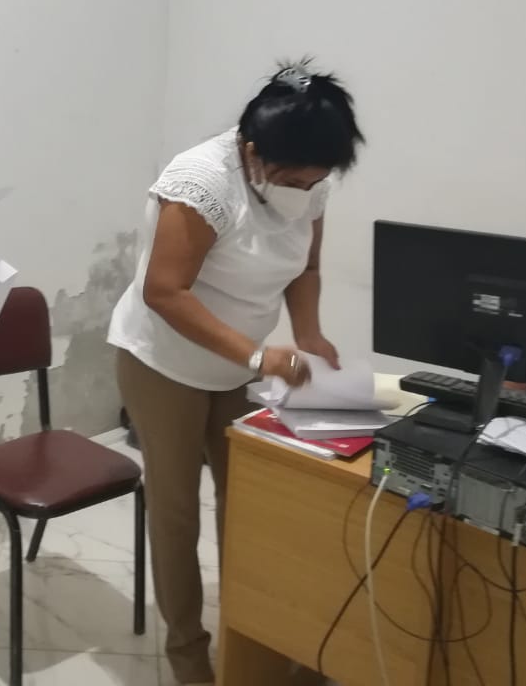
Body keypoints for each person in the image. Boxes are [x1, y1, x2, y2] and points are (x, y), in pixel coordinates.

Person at [108, 61, 364, 685]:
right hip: (163, 362)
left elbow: (305, 267)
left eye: (317, 179)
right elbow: (164, 291)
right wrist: (256, 356)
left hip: (235, 365)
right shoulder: (201, 182)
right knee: (176, 515)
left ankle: (257, 643)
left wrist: (308, 333)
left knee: (250, 506)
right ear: (252, 151)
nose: (307, 189)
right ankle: (189, 658)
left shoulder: (310, 181)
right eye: (296, 178)